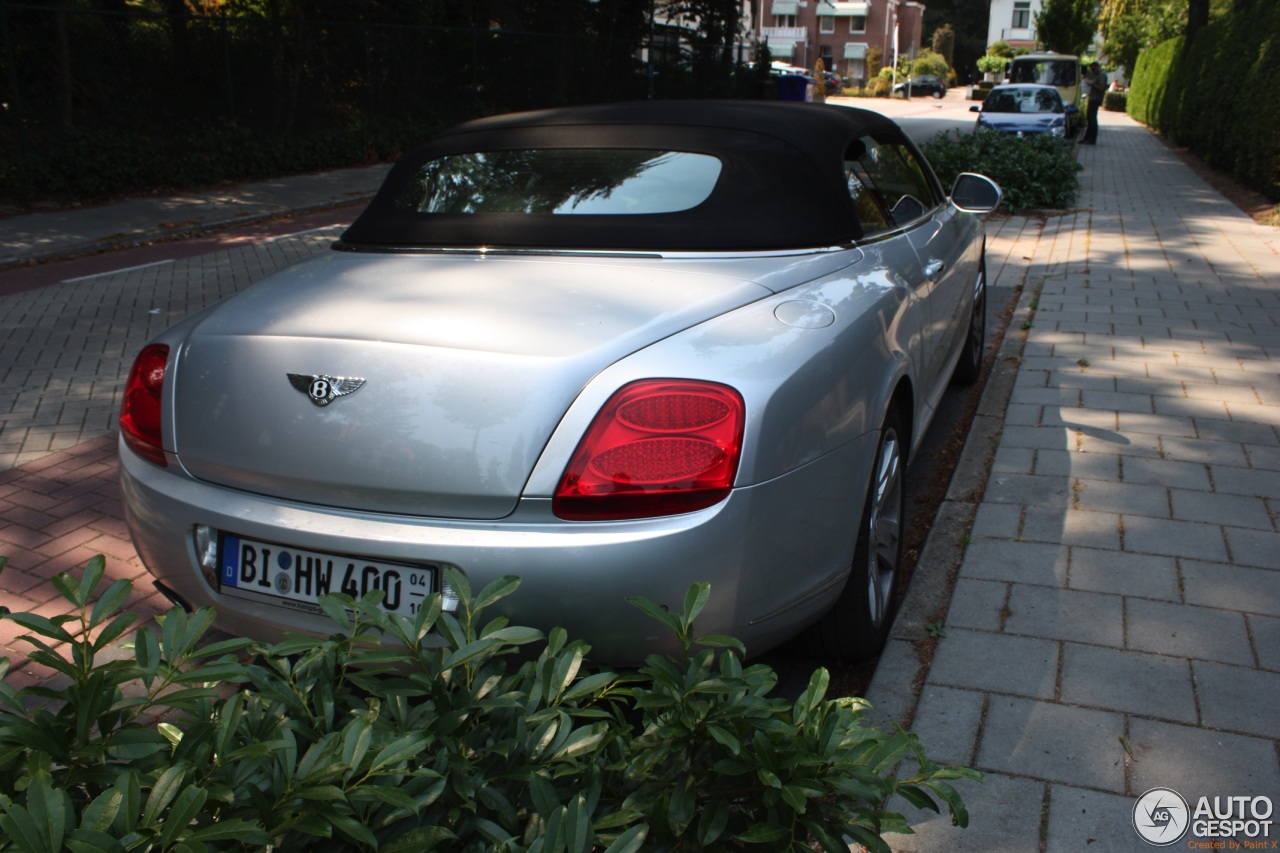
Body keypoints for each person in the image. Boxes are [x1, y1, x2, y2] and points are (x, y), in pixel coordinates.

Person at [1080, 62, 1108, 145]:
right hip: (1093, 98)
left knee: (1092, 119)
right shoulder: (1097, 75)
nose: (1092, 71)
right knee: (1089, 118)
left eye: (1093, 69)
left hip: (1096, 99)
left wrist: (1092, 84)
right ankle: (1087, 138)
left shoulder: (1102, 75)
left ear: (1097, 67)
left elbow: (1101, 88)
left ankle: (1092, 139)